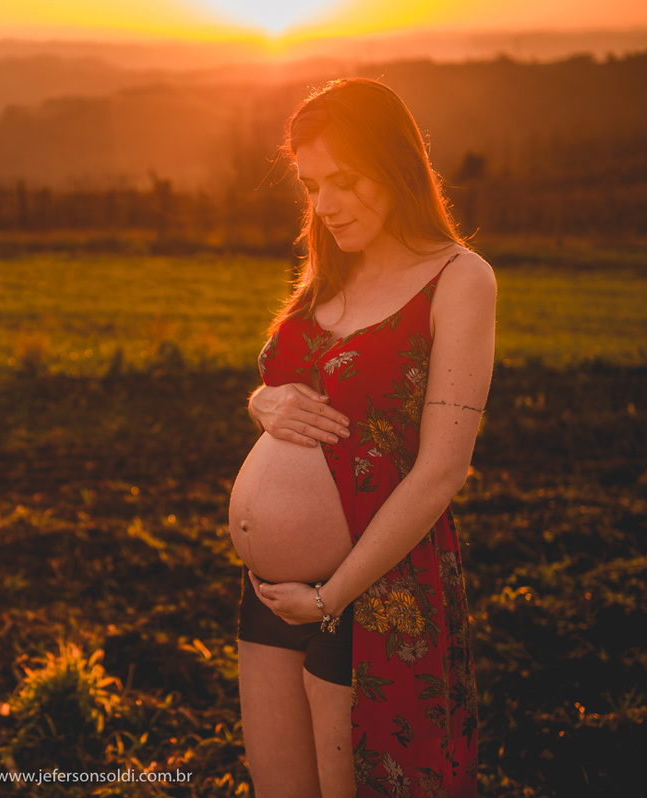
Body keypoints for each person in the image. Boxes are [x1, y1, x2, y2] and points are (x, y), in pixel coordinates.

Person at [232, 78, 496, 797]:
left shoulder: (459, 280)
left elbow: (443, 470)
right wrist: (261, 403)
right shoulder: (330, 266)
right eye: (313, 185)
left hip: (371, 592)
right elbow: (285, 388)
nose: (325, 204)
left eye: (345, 182)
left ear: (398, 166)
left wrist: (330, 598)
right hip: (270, 596)